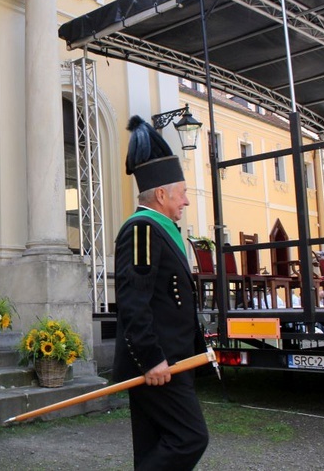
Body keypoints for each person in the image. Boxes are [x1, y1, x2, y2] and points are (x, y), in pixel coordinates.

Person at [113, 115, 209, 470]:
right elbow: (133, 303)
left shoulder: (160, 229)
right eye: (182, 193)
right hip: (159, 363)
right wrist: (151, 358)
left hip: (174, 360)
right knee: (190, 437)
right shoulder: (141, 230)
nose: (185, 201)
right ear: (162, 193)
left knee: (156, 442)